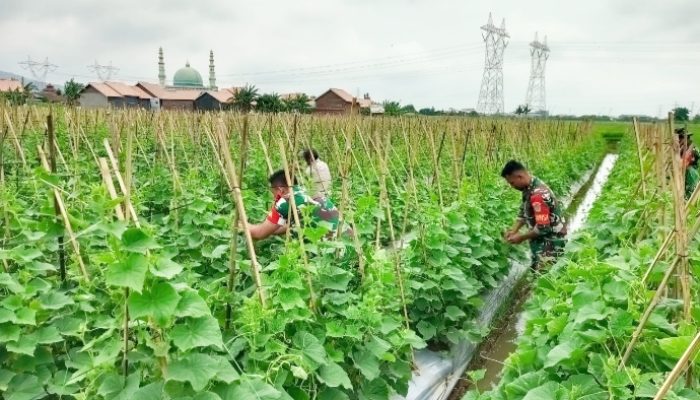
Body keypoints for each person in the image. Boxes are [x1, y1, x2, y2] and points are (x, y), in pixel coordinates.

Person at [501, 160, 567, 270]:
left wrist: (521, 238)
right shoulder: (529, 187)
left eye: (512, 183)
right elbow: (523, 212)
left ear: (520, 176)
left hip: (550, 243)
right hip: (541, 241)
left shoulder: (538, 195)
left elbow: (543, 228)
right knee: (538, 275)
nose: (511, 186)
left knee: (547, 277)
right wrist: (514, 230)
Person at [245, 169, 339, 240]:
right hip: (347, 245)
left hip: (329, 254)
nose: (273, 197)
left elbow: (259, 233)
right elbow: (292, 225)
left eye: (273, 192)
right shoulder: (308, 192)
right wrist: (271, 229)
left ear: (280, 190)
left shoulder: (285, 201)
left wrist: (244, 226)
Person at [676, 127, 700, 199]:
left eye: (680, 138)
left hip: (690, 172)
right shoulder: (684, 147)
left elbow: (685, 163)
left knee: (690, 191)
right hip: (687, 171)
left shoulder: (691, 149)